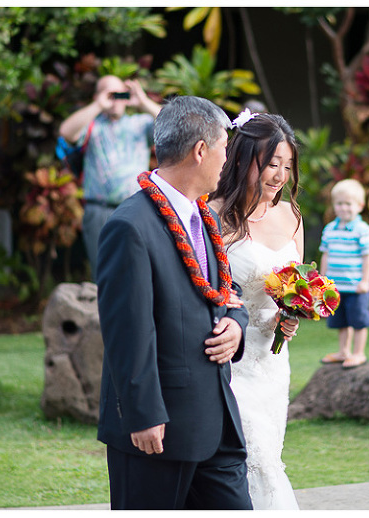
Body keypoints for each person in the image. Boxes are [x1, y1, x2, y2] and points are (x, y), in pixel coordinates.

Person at [95, 96, 253, 510]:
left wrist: (237, 324)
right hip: (158, 430)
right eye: (224, 146)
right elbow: (127, 329)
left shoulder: (207, 219)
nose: (228, 158)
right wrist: (143, 413)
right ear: (201, 150)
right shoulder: (129, 226)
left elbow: (226, 291)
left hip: (216, 423)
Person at [208, 109, 302, 510]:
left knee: (269, 457)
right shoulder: (212, 215)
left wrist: (292, 313)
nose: (280, 175)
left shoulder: (290, 213)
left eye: (287, 165)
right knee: (250, 461)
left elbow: (298, 283)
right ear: (245, 160)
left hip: (272, 365)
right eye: (271, 164)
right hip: (230, 364)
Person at [59, 75, 162, 279]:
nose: (115, 99)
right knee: (104, 274)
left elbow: (174, 126)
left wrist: (143, 102)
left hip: (136, 209)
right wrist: (98, 105)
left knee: (138, 273)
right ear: (98, 95)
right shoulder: (92, 125)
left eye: (119, 93)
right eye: (109, 94)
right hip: (99, 210)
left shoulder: (140, 123)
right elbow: (66, 132)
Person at [318, 179, 369, 369]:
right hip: (336, 287)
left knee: (358, 321)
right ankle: (344, 351)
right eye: (339, 204)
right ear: (334, 205)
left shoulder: (363, 230)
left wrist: (365, 281)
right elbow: (325, 254)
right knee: (341, 321)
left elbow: (368, 257)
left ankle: (359, 353)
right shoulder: (329, 230)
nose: (343, 208)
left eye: (348, 204)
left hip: (356, 286)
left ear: (360, 206)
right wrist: (322, 279)